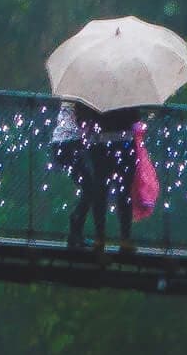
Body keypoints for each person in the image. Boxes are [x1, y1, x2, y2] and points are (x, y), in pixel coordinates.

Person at [55, 99, 150, 250]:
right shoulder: (125, 91)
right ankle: (125, 240)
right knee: (124, 192)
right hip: (124, 143)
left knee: (101, 192)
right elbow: (135, 118)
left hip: (99, 144)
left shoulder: (92, 93)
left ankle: (100, 239)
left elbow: (81, 117)